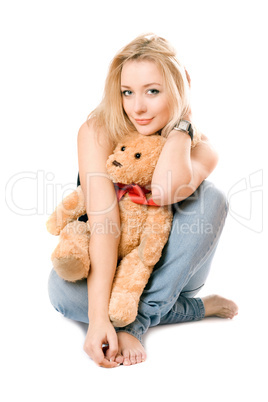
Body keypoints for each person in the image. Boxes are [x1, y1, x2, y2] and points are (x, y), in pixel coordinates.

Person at [48, 33, 238, 368]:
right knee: (62, 295)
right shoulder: (97, 131)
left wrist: (181, 128)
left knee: (212, 198)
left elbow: (164, 191)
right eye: (127, 92)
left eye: (153, 91)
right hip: (112, 260)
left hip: (172, 268)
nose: (137, 107)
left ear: (179, 87)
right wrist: (97, 321)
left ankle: (138, 320)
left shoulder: (202, 148)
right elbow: (105, 223)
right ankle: (196, 309)